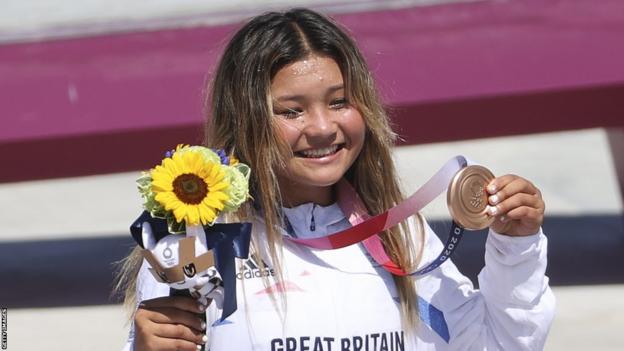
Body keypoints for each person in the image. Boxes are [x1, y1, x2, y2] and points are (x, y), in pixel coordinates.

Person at [117, 8, 554, 351]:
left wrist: (516, 250)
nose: (323, 127)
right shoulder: (198, 241)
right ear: (245, 119)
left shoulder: (400, 236)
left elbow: (493, 345)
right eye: (292, 110)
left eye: (340, 101)